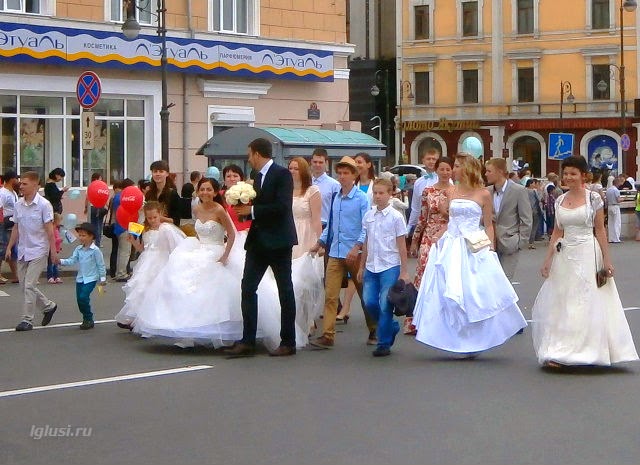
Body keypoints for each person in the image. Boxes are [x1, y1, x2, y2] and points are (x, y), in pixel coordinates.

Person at [412, 155, 527, 357]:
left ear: (467, 169)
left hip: (473, 245)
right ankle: (455, 338)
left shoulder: (483, 194)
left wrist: (490, 247)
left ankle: (477, 337)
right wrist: (438, 236)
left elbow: (488, 224)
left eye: (457, 166)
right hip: (451, 244)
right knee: (448, 290)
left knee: (475, 292)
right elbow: (450, 220)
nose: (453, 169)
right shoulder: (451, 191)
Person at [532, 156, 638, 368]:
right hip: (565, 255)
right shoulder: (560, 200)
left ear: (583, 175)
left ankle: (589, 349)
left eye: (573, 173)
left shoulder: (594, 198)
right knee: (564, 301)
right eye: (565, 174)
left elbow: (600, 230)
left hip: (588, 253)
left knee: (587, 301)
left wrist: (607, 260)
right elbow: (557, 232)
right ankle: (559, 349)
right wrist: (548, 259)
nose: (568, 177)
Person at [225, 138, 299, 358]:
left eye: (250, 154)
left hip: (279, 241)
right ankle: (247, 339)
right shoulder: (256, 178)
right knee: (248, 287)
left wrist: (252, 211)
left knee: (285, 289)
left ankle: (288, 341)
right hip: (258, 241)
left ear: (257, 154)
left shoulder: (281, 174)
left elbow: (282, 206)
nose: (249, 159)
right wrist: (244, 210)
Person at [309, 156, 377, 348]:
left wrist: (358, 246)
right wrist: (320, 242)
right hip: (335, 252)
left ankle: (374, 329)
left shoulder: (361, 198)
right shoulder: (336, 197)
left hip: (355, 254)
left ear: (354, 176)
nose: (342, 176)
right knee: (330, 295)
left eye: (346, 173)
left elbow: (366, 226)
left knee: (364, 294)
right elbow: (331, 224)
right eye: (339, 173)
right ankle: (328, 335)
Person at [357, 178, 409, 357]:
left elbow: (401, 245)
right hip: (372, 265)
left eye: (381, 193)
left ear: (390, 194)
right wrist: (361, 266)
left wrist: (404, 270)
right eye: (375, 193)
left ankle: (383, 343)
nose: (377, 196)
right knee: (369, 301)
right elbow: (366, 242)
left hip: (390, 265)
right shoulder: (369, 216)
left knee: (385, 304)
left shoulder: (396, 217)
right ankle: (390, 326)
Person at [115, 201, 186, 329]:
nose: (152, 220)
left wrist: (173, 264)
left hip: (160, 262)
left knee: (156, 290)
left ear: (160, 214)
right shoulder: (145, 229)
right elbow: (143, 249)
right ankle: (139, 317)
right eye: (149, 218)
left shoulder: (165, 229)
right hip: (146, 262)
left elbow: (173, 247)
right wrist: (133, 241)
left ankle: (153, 319)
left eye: (155, 217)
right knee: (142, 288)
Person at [6, 171, 59, 331]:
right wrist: (9, 247)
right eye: (21, 183)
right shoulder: (18, 205)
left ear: (35, 185)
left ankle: (27, 320)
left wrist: (53, 251)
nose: (21, 186)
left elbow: (49, 230)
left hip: (39, 249)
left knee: (29, 285)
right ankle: (48, 306)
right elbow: (16, 227)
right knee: (24, 285)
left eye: (25, 184)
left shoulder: (44, 205)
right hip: (23, 249)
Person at [408, 157, 453, 335]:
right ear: (436, 170)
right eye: (441, 169)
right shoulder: (428, 191)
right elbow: (422, 217)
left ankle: (444, 319)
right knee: (423, 271)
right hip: (429, 235)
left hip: (448, 235)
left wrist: (445, 212)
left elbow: (457, 217)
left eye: (448, 169)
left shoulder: (456, 191)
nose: (445, 173)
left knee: (445, 275)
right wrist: (414, 240)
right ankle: (416, 318)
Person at [289, 157, 324, 339]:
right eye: (290, 168)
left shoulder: (312, 191)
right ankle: (293, 320)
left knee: (306, 281)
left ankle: (309, 319)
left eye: (296, 168)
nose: (292, 171)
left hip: (307, 235)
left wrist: (319, 242)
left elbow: (316, 219)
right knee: (292, 280)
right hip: (290, 235)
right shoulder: (286, 190)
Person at [485, 158, 533, 281]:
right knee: (490, 282)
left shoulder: (518, 190)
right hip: (489, 244)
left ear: (500, 172)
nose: (486, 174)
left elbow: (526, 219)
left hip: (510, 243)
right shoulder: (487, 191)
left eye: (489, 171)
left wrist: (520, 242)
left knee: (505, 282)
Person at [58, 222, 106, 330]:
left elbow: (101, 265)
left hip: (91, 278)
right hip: (80, 278)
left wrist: (102, 279)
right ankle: (86, 318)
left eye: (84, 235)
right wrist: (60, 261)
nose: (81, 238)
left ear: (91, 236)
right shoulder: (78, 249)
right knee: (80, 300)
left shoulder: (95, 251)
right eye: (80, 235)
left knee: (83, 297)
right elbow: (72, 260)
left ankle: (89, 318)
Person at [407, 148, 440, 235]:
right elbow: (415, 207)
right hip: (422, 225)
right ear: (423, 161)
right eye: (428, 159)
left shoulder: (444, 180)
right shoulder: (418, 182)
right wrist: (410, 225)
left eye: (434, 159)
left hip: (439, 225)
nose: (431, 161)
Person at [145, 160, 182, 227]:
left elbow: (176, 221)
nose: (158, 174)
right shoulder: (149, 194)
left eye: (161, 171)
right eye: (155, 171)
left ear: (167, 174)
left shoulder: (172, 194)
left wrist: (160, 218)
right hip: (151, 230)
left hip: (167, 230)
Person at [310, 147, 340, 227]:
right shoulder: (306, 183)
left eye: (320, 162)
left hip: (326, 226)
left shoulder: (334, 185)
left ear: (326, 163)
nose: (317, 165)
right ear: (311, 162)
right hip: (308, 226)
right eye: (315, 162)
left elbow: (338, 209)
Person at [112, 178, 135, 282]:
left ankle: (120, 272)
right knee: (125, 252)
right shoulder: (124, 197)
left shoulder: (117, 196)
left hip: (119, 227)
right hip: (125, 227)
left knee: (121, 251)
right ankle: (121, 273)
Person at [0, 170, 19, 283]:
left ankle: (16, 276)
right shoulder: (3, 193)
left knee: (12, 249)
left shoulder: (13, 192)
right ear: (12, 179)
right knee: (2, 249)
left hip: (12, 224)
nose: (18, 181)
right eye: (16, 178)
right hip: (4, 224)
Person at [221, 164, 252, 232]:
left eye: (235, 176)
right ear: (224, 181)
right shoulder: (219, 196)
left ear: (241, 179)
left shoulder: (249, 194)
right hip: (226, 233)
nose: (232, 179)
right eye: (228, 176)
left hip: (246, 232)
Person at [84, 173, 107, 247]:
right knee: (99, 226)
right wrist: (107, 206)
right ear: (97, 178)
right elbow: (104, 197)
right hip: (100, 207)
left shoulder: (90, 186)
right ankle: (98, 243)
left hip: (92, 208)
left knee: (93, 225)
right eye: (100, 178)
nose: (101, 179)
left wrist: (86, 208)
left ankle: (92, 242)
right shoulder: (101, 186)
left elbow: (87, 198)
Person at [526, 178, 544, 249]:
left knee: (528, 226)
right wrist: (540, 190)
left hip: (526, 210)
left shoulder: (523, 190)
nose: (535, 185)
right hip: (534, 210)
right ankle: (531, 243)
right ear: (530, 184)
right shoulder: (534, 191)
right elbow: (539, 199)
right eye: (533, 183)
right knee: (534, 227)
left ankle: (526, 240)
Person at [46, 213, 63, 284]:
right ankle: (50, 276)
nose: (60, 222)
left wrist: (60, 246)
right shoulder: (52, 229)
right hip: (51, 248)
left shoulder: (56, 229)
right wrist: (60, 240)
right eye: (59, 221)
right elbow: (52, 239)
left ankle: (56, 276)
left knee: (56, 263)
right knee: (50, 263)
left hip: (56, 248)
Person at [606, 175, 623, 243]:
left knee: (610, 223)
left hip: (609, 206)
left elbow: (607, 200)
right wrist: (623, 199)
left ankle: (610, 238)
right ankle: (616, 238)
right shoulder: (616, 190)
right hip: (615, 206)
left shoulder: (608, 190)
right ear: (617, 183)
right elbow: (618, 200)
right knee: (616, 222)